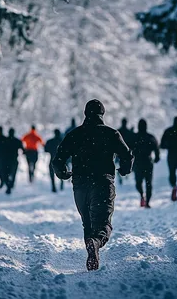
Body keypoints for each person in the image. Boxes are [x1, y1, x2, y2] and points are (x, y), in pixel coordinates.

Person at [53, 99, 133, 271]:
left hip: (80, 185)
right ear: (102, 114)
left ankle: (91, 250)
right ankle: (95, 243)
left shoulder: (75, 134)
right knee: (104, 223)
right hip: (103, 182)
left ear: (85, 114)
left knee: (87, 223)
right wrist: (124, 169)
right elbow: (127, 155)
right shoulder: (111, 134)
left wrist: (63, 173)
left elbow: (58, 159)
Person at [131, 119, 160, 208]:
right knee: (148, 183)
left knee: (138, 183)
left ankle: (142, 195)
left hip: (137, 163)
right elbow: (156, 148)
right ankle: (147, 201)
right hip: (148, 162)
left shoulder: (134, 137)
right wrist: (157, 158)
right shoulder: (150, 137)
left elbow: (128, 149)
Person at [2, 128, 24, 195]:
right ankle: (10, 185)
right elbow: (23, 150)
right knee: (13, 173)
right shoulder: (17, 141)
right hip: (14, 160)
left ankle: (8, 185)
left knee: (6, 173)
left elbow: (0, 150)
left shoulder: (4, 140)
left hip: (6, 160)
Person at [117, 118, 134, 185]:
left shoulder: (118, 131)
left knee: (119, 165)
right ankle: (125, 174)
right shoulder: (128, 132)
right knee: (127, 164)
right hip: (127, 152)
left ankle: (121, 175)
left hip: (118, 153)